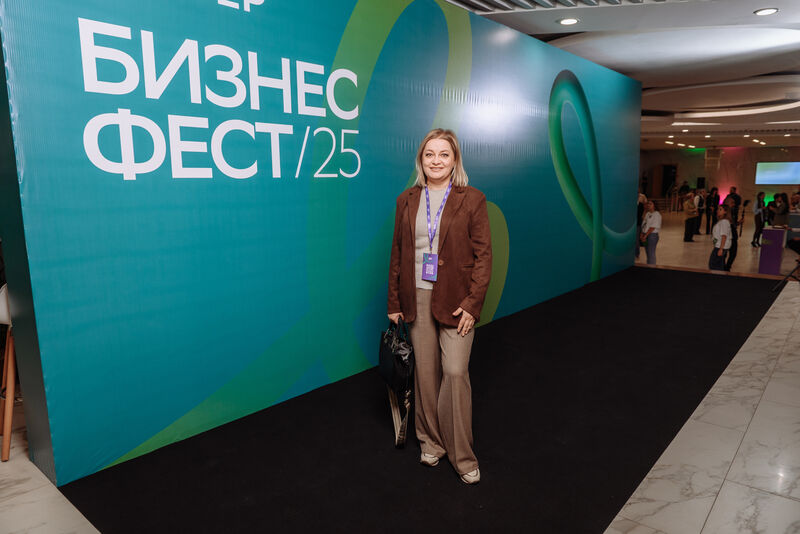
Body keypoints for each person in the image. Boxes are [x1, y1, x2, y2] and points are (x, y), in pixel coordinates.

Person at [387, 128, 491, 485]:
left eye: (444, 154)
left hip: (457, 300)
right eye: (429, 154)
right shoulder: (406, 200)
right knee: (425, 375)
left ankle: (462, 455)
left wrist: (473, 304)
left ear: (455, 159)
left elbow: (484, 257)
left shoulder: (472, 199)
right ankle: (430, 442)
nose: (436, 161)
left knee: (456, 372)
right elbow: (397, 253)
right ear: (421, 159)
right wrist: (394, 301)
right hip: (415, 296)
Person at [709, 204, 732, 271]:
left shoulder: (724, 222)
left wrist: (721, 249)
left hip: (720, 247)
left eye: (720, 209)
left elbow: (724, 236)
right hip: (719, 245)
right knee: (719, 264)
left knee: (713, 264)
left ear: (725, 212)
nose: (718, 211)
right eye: (718, 209)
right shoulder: (722, 221)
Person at [640, 200, 661, 264]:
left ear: (654, 205)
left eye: (650, 204)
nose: (648, 205)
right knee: (647, 252)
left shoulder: (657, 214)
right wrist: (642, 234)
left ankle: (652, 267)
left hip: (652, 236)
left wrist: (645, 236)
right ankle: (648, 265)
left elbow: (652, 227)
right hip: (645, 234)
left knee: (651, 253)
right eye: (648, 204)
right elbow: (644, 224)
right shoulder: (647, 214)